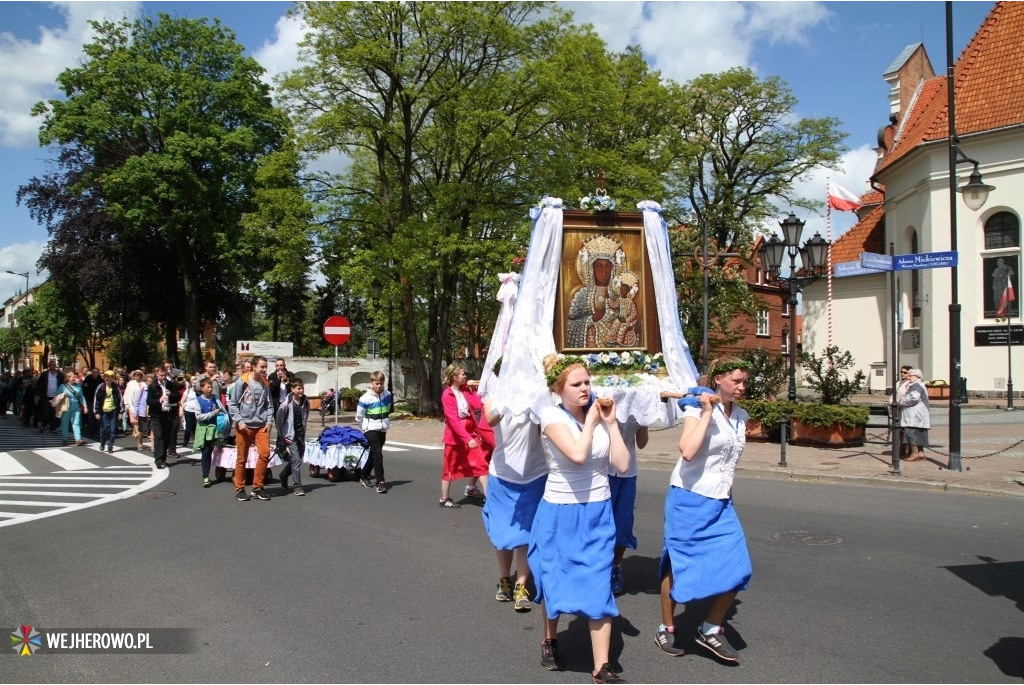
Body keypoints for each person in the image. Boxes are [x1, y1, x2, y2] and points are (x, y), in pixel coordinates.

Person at [529, 354, 629, 683]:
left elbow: (623, 465)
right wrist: (591, 423)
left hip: (597, 511)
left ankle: (602, 666)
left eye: (587, 382)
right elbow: (576, 455)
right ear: (559, 390)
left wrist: (611, 424)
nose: (586, 388)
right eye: (577, 384)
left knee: (600, 584)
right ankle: (550, 639)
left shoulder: (597, 417)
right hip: (560, 512)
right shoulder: (550, 417)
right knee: (554, 580)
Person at [657, 357, 751, 662]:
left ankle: (709, 628)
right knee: (676, 565)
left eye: (744, 382)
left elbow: (729, 464)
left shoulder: (742, 416)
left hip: (721, 502)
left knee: (739, 568)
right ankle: (666, 627)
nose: (741, 387)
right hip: (688, 498)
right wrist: (707, 413)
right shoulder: (696, 408)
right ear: (719, 379)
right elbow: (687, 451)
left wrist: (729, 497)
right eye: (736, 380)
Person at [480, 362, 547, 612]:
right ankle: (504, 579)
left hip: (534, 475)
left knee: (526, 534)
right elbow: (490, 417)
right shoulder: (493, 397)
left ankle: (521, 585)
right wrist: (510, 396)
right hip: (502, 475)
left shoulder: (537, 397)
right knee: (502, 534)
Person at [439, 363, 489, 509]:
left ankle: (489, 498)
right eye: (462, 374)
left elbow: (478, 404)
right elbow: (453, 420)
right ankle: (444, 499)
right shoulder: (447, 395)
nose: (465, 376)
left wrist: (473, 388)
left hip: (470, 430)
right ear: (454, 377)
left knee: (481, 463)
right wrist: (467, 438)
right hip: (455, 435)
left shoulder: (464, 391)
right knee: (449, 467)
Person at [566, 234, 626, 349]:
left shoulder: (619, 294)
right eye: (598, 266)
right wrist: (592, 319)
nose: (603, 272)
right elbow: (568, 325)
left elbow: (627, 319)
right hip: (590, 345)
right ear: (591, 269)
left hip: (615, 347)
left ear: (613, 270)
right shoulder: (583, 294)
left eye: (607, 267)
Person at [609, 417, 647, 595]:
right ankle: (595, 569)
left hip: (628, 472)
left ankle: (615, 566)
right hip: (604, 469)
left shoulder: (639, 406)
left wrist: (645, 420)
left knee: (623, 524)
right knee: (599, 523)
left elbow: (642, 443)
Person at [228, 355, 273, 502]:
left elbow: (269, 405)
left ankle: (257, 487)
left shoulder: (265, 384)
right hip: (244, 425)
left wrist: (269, 421)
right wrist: (240, 422)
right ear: (254, 367)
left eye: (265, 367)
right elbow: (233, 404)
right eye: (262, 367)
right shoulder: (242, 382)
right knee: (242, 458)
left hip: (261, 425)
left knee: (265, 453)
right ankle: (240, 488)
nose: (264, 369)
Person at [356, 371, 393, 494]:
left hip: (382, 429)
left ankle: (364, 475)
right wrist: (364, 429)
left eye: (381, 383)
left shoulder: (388, 394)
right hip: (370, 429)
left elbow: (388, 410)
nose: (379, 386)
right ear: (371, 383)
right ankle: (380, 482)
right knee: (378, 455)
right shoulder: (365, 398)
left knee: (374, 454)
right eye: (376, 383)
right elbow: (359, 416)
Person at [275, 377, 310, 496]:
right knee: (295, 459)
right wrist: (281, 438)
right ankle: (297, 486)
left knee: (297, 459)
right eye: (299, 389)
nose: (301, 391)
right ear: (292, 389)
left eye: (302, 388)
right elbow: (279, 421)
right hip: (290, 435)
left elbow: (305, 417)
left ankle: (284, 474)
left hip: (301, 435)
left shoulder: (306, 402)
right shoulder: (286, 404)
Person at [193, 378, 225, 488]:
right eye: (208, 387)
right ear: (202, 388)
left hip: (214, 428)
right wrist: (212, 413)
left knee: (218, 449)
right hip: (204, 428)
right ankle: (205, 476)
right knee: (206, 452)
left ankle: (221, 470)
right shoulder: (198, 400)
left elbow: (222, 409)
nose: (210, 389)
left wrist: (223, 414)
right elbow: (199, 416)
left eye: (211, 387)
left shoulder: (215, 398)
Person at [147, 367, 175, 469]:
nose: (163, 378)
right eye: (161, 375)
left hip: (168, 413)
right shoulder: (152, 386)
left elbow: (178, 396)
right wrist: (159, 400)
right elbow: (149, 401)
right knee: (159, 436)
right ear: (156, 374)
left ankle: (163, 458)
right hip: (156, 415)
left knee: (167, 436)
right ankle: (158, 459)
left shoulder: (170, 384)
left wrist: (171, 394)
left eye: (164, 375)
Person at [899, 368, 931, 461]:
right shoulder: (916, 385)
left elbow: (913, 398)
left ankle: (914, 453)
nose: (908, 377)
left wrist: (902, 401)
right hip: (917, 414)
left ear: (917, 377)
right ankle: (920, 453)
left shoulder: (916, 385)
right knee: (919, 433)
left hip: (914, 415)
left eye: (910, 375)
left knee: (911, 433)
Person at [92, 370, 122, 453]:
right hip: (103, 411)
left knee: (113, 430)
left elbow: (120, 400)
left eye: (109, 377)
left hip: (113, 411)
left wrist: (120, 412)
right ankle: (102, 442)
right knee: (104, 428)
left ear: (113, 378)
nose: (106, 378)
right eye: (105, 376)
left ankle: (110, 446)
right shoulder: (101, 387)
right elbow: (96, 400)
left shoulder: (116, 388)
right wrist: (96, 412)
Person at [57, 371, 87, 446]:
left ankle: (78, 439)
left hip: (76, 407)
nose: (74, 378)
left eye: (75, 377)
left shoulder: (78, 386)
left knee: (76, 423)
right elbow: (57, 396)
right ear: (68, 378)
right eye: (72, 377)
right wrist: (63, 395)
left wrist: (85, 407)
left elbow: (81, 397)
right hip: (65, 408)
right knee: (65, 424)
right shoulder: (62, 386)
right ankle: (64, 440)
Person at [35, 359, 63, 433]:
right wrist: (37, 394)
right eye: (51, 365)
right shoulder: (44, 374)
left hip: (56, 397)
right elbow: (38, 384)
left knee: (54, 412)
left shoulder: (59, 375)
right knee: (46, 411)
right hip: (46, 396)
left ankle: (52, 428)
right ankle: (43, 425)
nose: (52, 367)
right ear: (49, 366)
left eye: (54, 365)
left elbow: (62, 384)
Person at [81, 368, 103, 439]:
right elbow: (84, 390)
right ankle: (91, 431)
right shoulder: (87, 380)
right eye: (93, 372)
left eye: (96, 372)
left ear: (98, 373)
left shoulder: (101, 381)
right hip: (90, 401)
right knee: (91, 416)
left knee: (98, 416)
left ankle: (97, 431)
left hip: (98, 401)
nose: (94, 374)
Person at [180, 373, 198, 448]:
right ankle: (185, 441)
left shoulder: (199, 391)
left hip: (197, 412)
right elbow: (182, 401)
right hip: (188, 411)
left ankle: (196, 441)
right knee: (189, 427)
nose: (194, 382)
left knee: (196, 427)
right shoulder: (188, 391)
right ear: (191, 382)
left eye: (196, 380)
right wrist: (182, 408)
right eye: (193, 381)